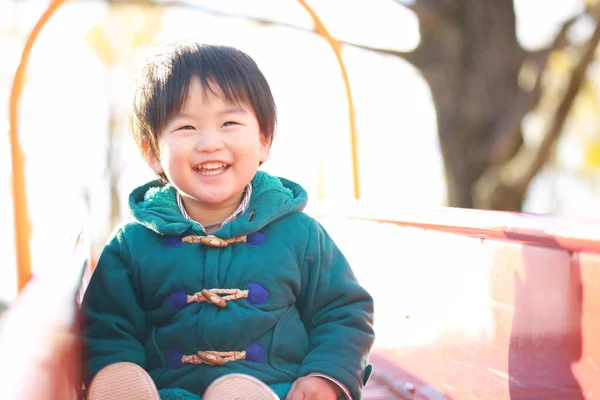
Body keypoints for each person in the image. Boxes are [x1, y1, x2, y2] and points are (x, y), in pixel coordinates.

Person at [82, 42, 375, 400]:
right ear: (152, 153)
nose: (209, 143)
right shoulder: (132, 244)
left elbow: (343, 311)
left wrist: (325, 375)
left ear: (264, 140)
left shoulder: (298, 234)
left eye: (229, 123)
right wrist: (118, 373)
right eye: (186, 127)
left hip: (277, 391)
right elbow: (108, 328)